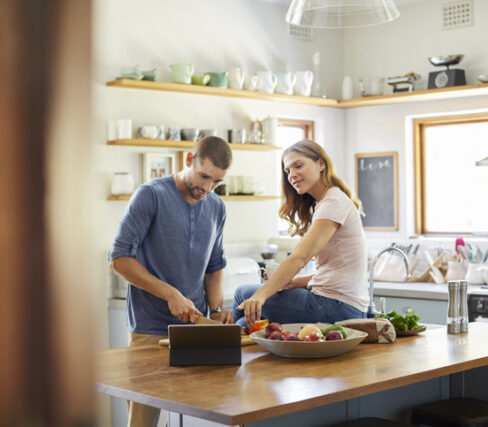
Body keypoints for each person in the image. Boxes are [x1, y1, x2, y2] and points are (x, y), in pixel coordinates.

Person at [109, 136, 234, 427]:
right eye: (204, 176)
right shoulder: (150, 195)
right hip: (151, 329)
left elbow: (215, 265)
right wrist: (170, 294)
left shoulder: (217, 207)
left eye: (216, 182)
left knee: (194, 417)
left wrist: (215, 309)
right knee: (144, 422)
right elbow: (119, 258)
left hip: (196, 331)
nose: (207, 187)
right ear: (188, 160)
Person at [233, 139, 369, 327]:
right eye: (288, 171)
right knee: (243, 323)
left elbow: (300, 258)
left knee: (243, 293)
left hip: (336, 307)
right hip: (341, 305)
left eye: (298, 166)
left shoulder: (333, 203)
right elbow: (332, 273)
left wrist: (261, 295)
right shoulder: (329, 201)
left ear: (321, 164)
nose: (292, 175)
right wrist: (292, 282)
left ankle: (217, 349)